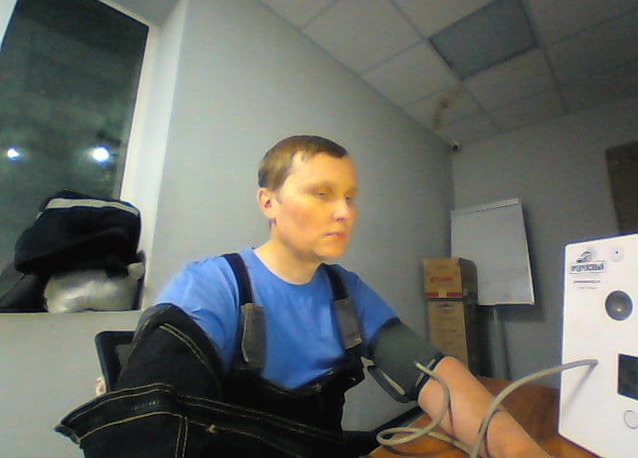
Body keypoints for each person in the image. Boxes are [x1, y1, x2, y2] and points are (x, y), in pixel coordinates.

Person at [154, 134, 553, 458]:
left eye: (349, 196)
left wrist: (518, 450)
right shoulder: (209, 286)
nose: (346, 212)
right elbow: (153, 421)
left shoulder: (346, 292)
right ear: (269, 202)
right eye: (322, 193)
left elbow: (432, 375)